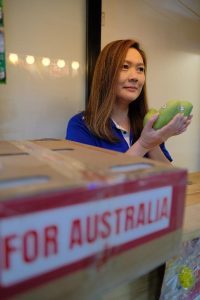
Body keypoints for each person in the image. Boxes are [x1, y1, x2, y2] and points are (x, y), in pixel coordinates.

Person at [66, 39, 192, 163]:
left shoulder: (148, 122)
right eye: (125, 67)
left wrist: (154, 143)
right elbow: (89, 181)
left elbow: (170, 178)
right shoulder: (81, 125)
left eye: (140, 69)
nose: (135, 77)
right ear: (105, 74)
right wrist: (143, 144)